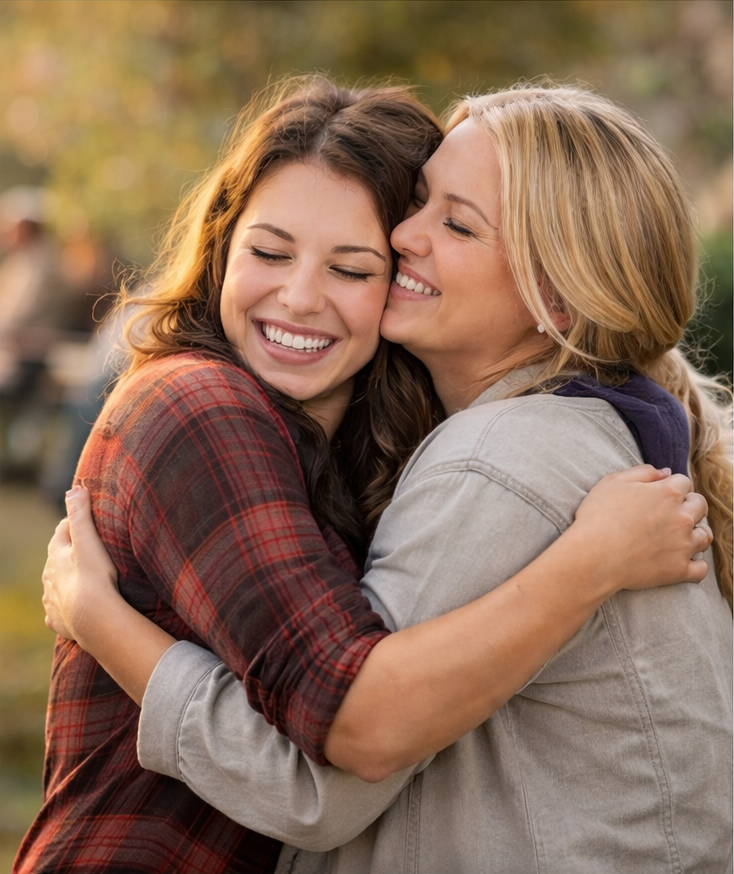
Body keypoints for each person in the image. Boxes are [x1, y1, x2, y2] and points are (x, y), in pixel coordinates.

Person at [28, 78, 721, 874]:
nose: (406, 239)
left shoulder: (474, 453)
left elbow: (339, 762)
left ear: (554, 297)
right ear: (224, 242)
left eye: (356, 266)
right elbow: (343, 745)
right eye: (269, 250)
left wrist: (100, 619)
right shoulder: (204, 405)